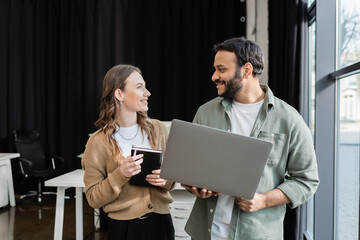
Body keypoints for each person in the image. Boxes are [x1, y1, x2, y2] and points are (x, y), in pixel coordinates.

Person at [182, 37, 320, 240]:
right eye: (215, 69)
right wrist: (194, 186)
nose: (214, 76)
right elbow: (190, 167)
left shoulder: (289, 119)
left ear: (247, 70)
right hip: (207, 232)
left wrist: (264, 200)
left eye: (221, 69)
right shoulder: (205, 112)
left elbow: (307, 180)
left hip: (257, 234)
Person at [82, 64, 175, 240]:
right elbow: (93, 198)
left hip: (161, 224)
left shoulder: (160, 129)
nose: (147, 93)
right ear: (119, 94)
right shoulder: (97, 142)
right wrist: (120, 174)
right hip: (124, 230)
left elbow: (171, 181)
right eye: (139, 87)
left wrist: (165, 180)